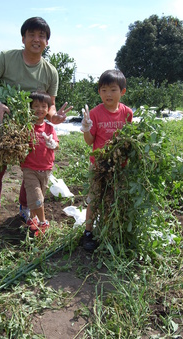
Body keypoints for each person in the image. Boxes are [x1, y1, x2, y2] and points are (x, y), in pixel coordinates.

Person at [0, 17, 72, 231]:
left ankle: (25, 206)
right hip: (1, 126)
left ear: (47, 42)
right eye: (31, 34)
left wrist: (53, 116)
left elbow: (50, 106)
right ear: (23, 38)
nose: (36, 39)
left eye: (41, 36)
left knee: (31, 169)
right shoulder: (6, 58)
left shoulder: (50, 72)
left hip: (30, 130)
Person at [80, 69, 133, 251]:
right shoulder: (94, 113)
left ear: (122, 92)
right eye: (103, 90)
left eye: (112, 89)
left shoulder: (127, 113)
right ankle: (88, 232)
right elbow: (90, 142)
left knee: (115, 198)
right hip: (99, 165)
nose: (108, 94)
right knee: (94, 198)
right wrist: (87, 128)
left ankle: (110, 231)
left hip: (120, 166)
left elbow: (130, 140)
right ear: (99, 92)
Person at [21, 91, 58, 236]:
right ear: (29, 108)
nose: (40, 109)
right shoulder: (26, 128)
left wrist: (53, 143)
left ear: (48, 109)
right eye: (35, 106)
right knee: (36, 197)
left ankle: (32, 219)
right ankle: (43, 222)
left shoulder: (49, 128)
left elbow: (57, 145)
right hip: (30, 168)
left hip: (46, 169)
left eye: (43, 106)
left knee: (39, 196)